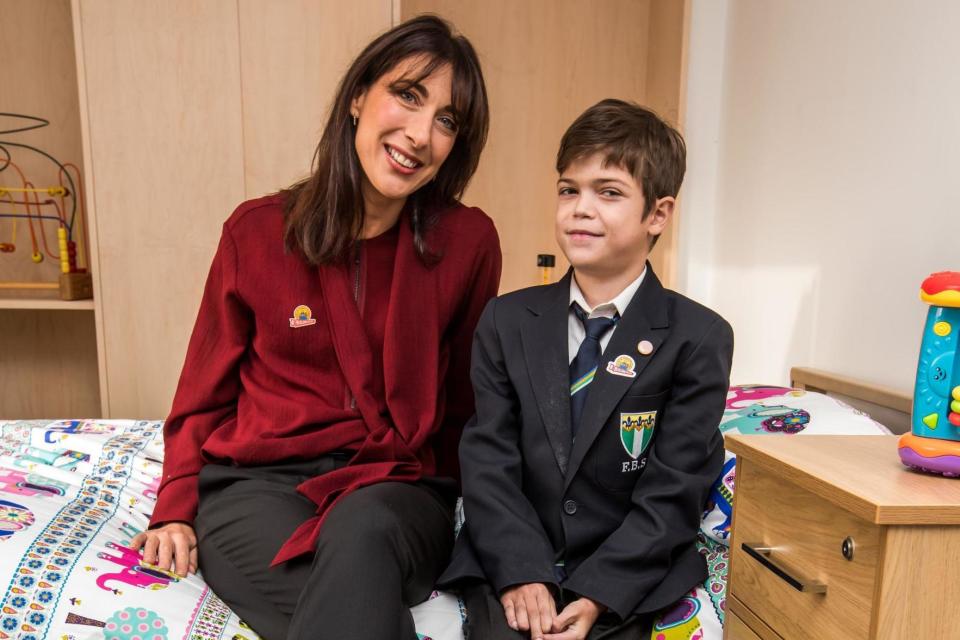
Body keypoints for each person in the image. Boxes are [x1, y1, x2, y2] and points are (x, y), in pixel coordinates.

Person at [132, 15, 500, 640]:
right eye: (408, 95)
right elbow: (204, 392)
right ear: (358, 96)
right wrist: (174, 510)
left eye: (447, 120)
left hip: (397, 491)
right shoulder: (255, 232)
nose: (420, 134)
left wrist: (498, 543)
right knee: (351, 599)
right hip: (257, 489)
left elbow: (470, 405)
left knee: (363, 530)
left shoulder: (467, 243)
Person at [439, 99, 733, 640]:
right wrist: (522, 572)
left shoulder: (699, 337)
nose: (580, 208)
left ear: (658, 214)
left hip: (628, 572)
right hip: (515, 558)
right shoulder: (506, 320)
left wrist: (599, 593)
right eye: (569, 189)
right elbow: (488, 460)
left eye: (610, 192)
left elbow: (674, 489)